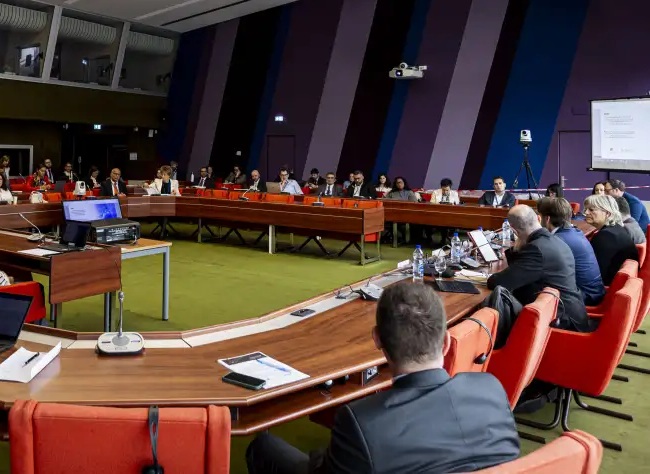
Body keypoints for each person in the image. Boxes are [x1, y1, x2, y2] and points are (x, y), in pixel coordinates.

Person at [246, 281, 519, 474]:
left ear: (377, 340)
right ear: (446, 342)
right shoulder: (491, 389)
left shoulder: (360, 422)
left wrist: (322, 456)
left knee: (264, 447)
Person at [488, 205, 589, 332]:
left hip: (562, 323)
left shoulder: (536, 249)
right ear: (538, 218)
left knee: (498, 297)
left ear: (514, 231)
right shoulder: (555, 240)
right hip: (571, 313)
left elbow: (498, 282)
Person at [538, 197, 605, 307]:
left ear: (547, 219)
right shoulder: (575, 232)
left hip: (585, 297)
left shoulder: (557, 240)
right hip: (594, 292)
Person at [583, 194, 640, 287]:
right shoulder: (616, 229)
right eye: (585, 209)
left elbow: (593, 273)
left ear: (608, 213)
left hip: (606, 290)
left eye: (591, 210)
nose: (586, 212)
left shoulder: (605, 236)